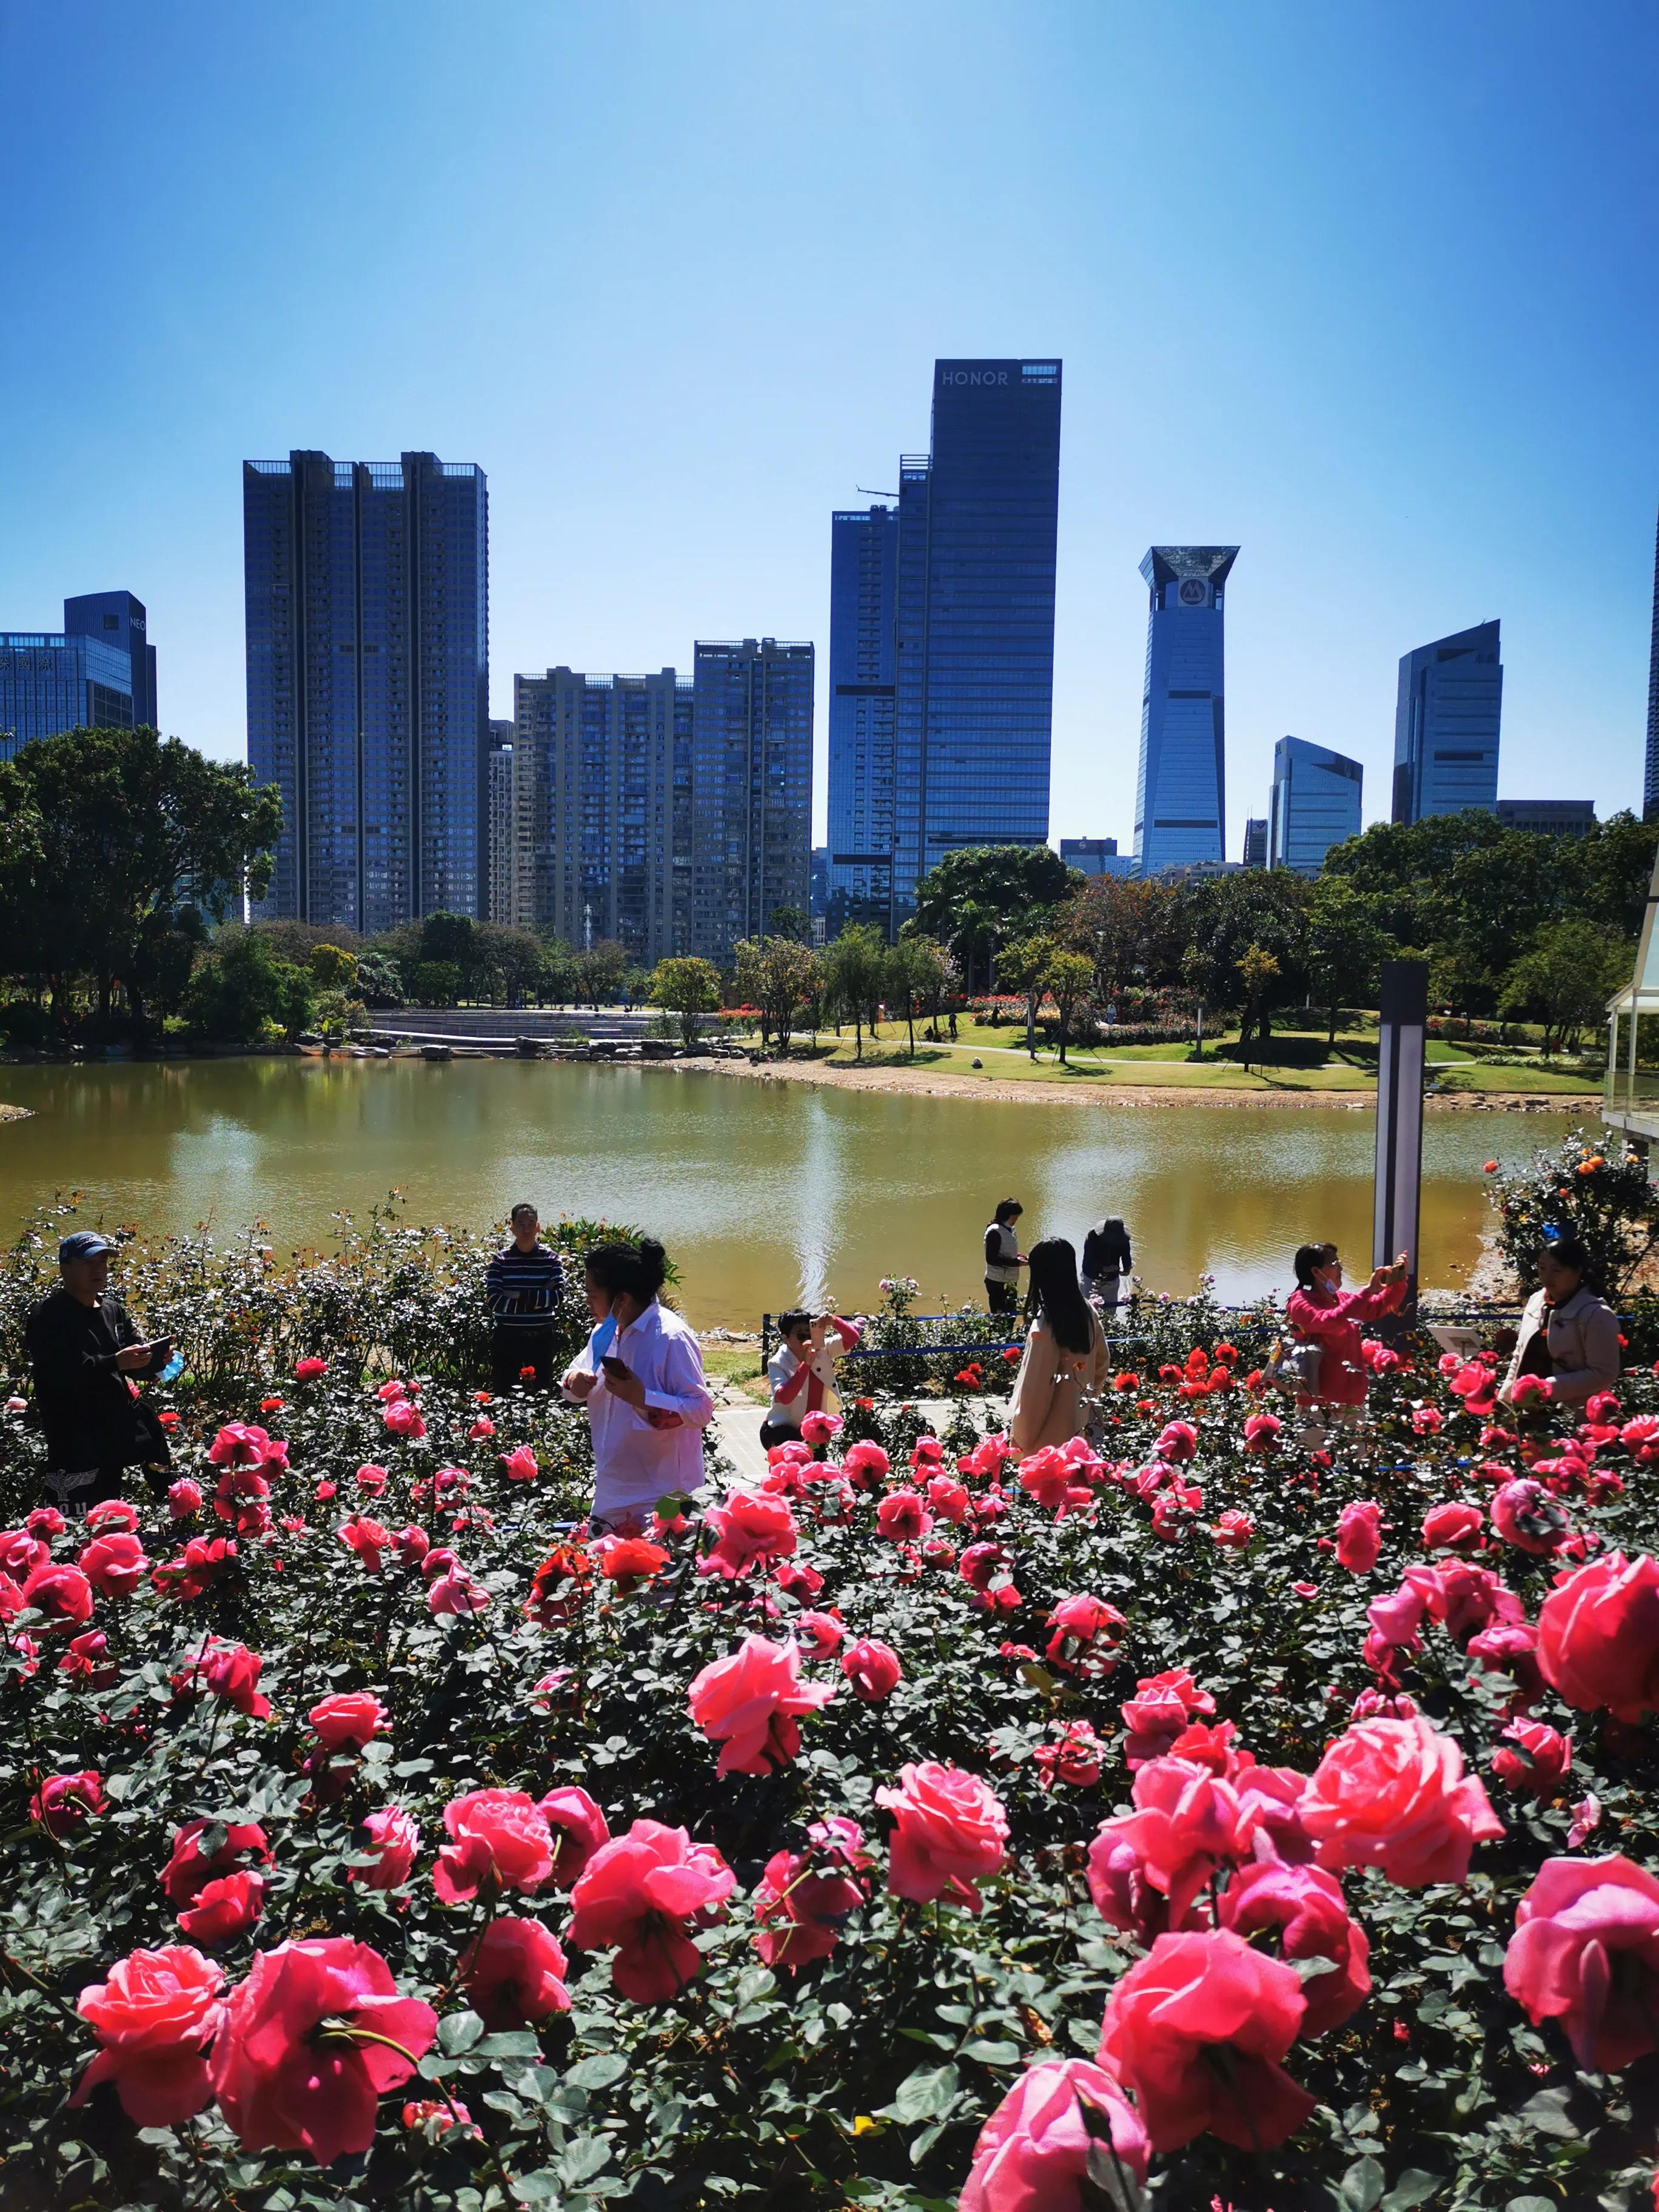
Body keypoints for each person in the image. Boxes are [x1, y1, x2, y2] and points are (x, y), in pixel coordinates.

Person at [561, 1236, 714, 1531]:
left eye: (592, 1295)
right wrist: (574, 1382)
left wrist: (643, 1397)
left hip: (662, 1501)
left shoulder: (671, 1338)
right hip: (610, 1492)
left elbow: (701, 1410)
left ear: (622, 1298)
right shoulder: (604, 1332)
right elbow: (572, 1377)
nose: (586, 1302)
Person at [24, 1231, 172, 1512]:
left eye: (104, 1262)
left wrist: (155, 1360)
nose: (100, 1269)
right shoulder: (48, 1316)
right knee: (71, 1516)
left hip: (113, 1426)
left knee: (107, 1507)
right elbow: (59, 1373)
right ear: (65, 1268)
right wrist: (116, 1362)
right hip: (72, 1431)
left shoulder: (112, 1310)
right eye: (90, 1262)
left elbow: (131, 1364)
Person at [1284, 1242, 1409, 1443]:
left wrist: (1398, 1281)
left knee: (1358, 1470)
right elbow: (1329, 1321)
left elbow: (1379, 1306)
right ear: (1316, 1272)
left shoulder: (1341, 1298)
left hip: (1353, 1405)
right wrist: (1367, 1291)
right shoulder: (1300, 1302)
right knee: (1317, 1472)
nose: (1341, 1269)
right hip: (1318, 1410)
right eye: (1335, 1264)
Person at [1008, 1236, 1110, 1455]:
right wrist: (1084, 1398)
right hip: (1078, 1439)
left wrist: (1021, 1439)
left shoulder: (1046, 1327)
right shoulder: (1087, 1312)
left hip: (1045, 1448)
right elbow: (1102, 1363)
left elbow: (1034, 1395)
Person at [1500, 1235, 1621, 1409]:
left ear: (1577, 1272)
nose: (1547, 1278)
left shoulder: (1595, 1314)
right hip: (1526, 1407)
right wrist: (1506, 1397)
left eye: (1556, 1271)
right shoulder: (1536, 1301)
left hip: (1569, 1412)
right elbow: (1520, 1353)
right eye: (1542, 1268)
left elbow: (1604, 1373)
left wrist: (1546, 1388)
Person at [484, 1203, 566, 1391]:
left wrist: (515, 1296)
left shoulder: (551, 1260)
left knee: (540, 1394)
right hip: (507, 1338)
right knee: (504, 1394)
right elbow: (494, 1301)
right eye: (520, 1224)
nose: (526, 1229)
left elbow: (557, 1298)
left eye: (531, 1223)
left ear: (538, 1227)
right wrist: (538, 1299)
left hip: (541, 1339)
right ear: (511, 1226)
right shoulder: (500, 1261)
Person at [762, 1309, 862, 1450]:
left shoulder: (822, 1349)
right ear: (785, 1338)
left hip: (814, 1431)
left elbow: (852, 1338)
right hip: (783, 1431)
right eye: (801, 1335)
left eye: (809, 1332)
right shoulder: (778, 1362)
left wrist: (835, 1322)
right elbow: (783, 1397)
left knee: (819, 1471)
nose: (807, 1339)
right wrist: (806, 1365)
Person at [1081, 1216, 1133, 1315]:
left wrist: (1127, 1268)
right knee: (1087, 1309)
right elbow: (1088, 1261)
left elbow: (1126, 1255)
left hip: (1112, 1278)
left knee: (1110, 1311)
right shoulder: (1092, 1236)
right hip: (1091, 1277)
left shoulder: (1124, 1238)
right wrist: (1104, 1268)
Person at [984, 1199, 1027, 1318]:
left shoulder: (1010, 1229)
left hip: (1010, 1280)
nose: (1016, 1221)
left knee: (1011, 1316)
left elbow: (1004, 1250)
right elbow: (992, 1259)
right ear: (1006, 1216)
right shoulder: (994, 1232)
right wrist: (1016, 1263)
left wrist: (1017, 1256)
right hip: (997, 1281)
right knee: (1000, 1317)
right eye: (1014, 1218)